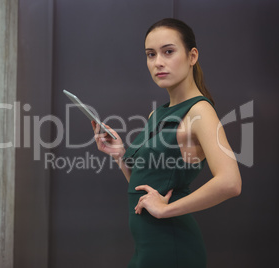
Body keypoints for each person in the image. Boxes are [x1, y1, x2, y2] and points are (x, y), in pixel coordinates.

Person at [91, 18, 241, 268]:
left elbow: (230, 182)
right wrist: (119, 154)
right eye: (151, 54)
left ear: (192, 56)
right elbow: (147, 186)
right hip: (146, 248)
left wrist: (165, 210)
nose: (158, 62)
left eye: (168, 51)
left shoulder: (199, 111)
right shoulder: (156, 114)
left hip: (172, 248)